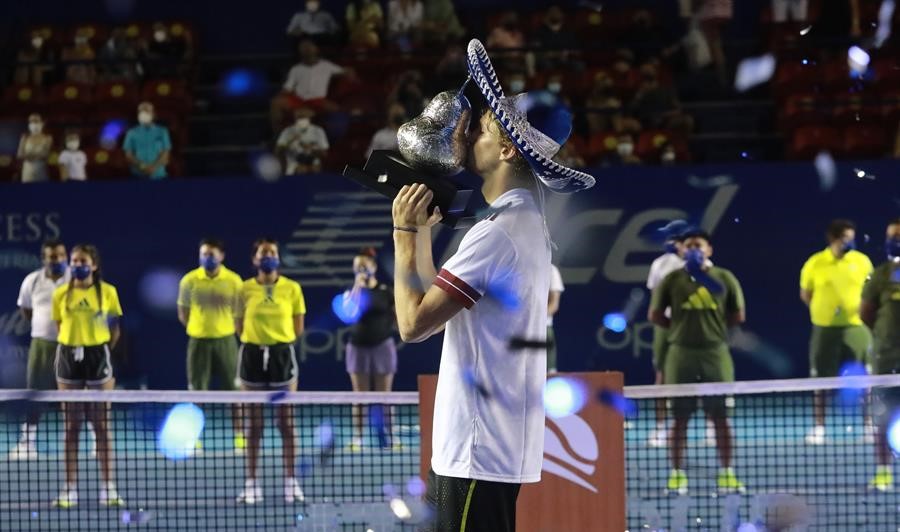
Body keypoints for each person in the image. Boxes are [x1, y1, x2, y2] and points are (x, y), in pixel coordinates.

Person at [391, 40, 595, 531]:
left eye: (480, 130)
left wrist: (402, 236)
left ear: (506, 149)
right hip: (486, 449)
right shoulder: (519, 221)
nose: (467, 136)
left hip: (477, 450)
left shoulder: (498, 233)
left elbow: (413, 324)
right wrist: (419, 232)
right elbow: (430, 309)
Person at [648, 230, 746, 495]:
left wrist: (713, 332)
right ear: (681, 250)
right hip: (681, 356)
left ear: (709, 249)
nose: (693, 249)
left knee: (721, 419)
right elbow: (655, 314)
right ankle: (677, 474)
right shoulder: (671, 279)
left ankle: (727, 473)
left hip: (716, 355)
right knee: (679, 419)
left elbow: (737, 314)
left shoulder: (724, 278)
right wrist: (679, 330)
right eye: (688, 246)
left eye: (698, 245)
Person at [50, 244, 124, 508]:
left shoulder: (108, 293)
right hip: (68, 356)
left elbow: (114, 330)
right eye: (74, 261)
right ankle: (69, 489)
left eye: (83, 261)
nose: (77, 265)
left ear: (94, 265)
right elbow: (60, 325)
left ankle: (108, 488)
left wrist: (96, 345)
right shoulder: (60, 294)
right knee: (71, 427)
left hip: (98, 357)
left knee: (102, 426)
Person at [235, 238, 306, 505]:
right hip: (252, 355)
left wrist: (277, 340)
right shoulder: (243, 289)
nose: (268, 257)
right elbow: (238, 326)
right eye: (263, 254)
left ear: (278, 258)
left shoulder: (292, 288)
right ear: (254, 260)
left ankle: (290, 483)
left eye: (272, 253)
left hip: (282, 356)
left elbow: (298, 327)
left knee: (286, 423)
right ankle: (251, 484)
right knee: (253, 425)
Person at [800, 219, 874, 445]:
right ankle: (819, 428)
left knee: (865, 377)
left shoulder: (862, 261)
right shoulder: (815, 262)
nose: (851, 242)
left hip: (857, 327)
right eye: (846, 238)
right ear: (833, 239)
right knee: (820, 382)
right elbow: (806, 294)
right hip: (825, 330)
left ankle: (869, 425)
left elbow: (870, 293)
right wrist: (824, 312)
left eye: (852, 237)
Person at [9, 239, 78, 460]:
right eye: (51, 256)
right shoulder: (32, 280)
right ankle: (27, 443)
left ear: (65, 256)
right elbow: (26, 310)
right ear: (44, 258)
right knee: (35, 393)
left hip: (71, 344)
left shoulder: (76, 279)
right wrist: (44, 327)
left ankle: (94, 443)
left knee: (78, 395)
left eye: (59, 256)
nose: (56, 260)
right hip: (41, 344)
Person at [177, 238, 245, 453]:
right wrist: (199, 329)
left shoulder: (234, 281)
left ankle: (240, 436)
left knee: (235, 393)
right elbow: (183, 313)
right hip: (198, 343)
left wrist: (225, 329)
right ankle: (194, 438)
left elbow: (240, 313)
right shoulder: (189, 280)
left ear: (221, 256)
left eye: (212, 254)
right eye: (204, 254)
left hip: (226, 342)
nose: (208, 258)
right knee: (197, 394)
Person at [343, 248, 398, 450]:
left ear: (373, 267)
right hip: (357, 348)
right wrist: (358, 287)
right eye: (358, 267)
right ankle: (358, 438)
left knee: (385, 395)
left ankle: (390, 436)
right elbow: (349, 313)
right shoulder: (351, 292)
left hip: (383, 346)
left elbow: (397, 318)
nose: (361, 269)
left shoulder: (386, 291)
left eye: (364, 266)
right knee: (359, 396)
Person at [860, 218, 900, 492]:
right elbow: (866, 312)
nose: (893, 241)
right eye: (891, 236)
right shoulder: (879, 274)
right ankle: (884, 471)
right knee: (883, 416)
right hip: (886, 359)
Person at [646, 230, 687, 448]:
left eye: (676, 240)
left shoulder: (701, 267)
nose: (672, 243)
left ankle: (710, 425)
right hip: (664, 326)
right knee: (661, 377)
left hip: (688, 326)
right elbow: (655, 299)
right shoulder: (659, 265)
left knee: (699, 378)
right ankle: (660, 427)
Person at [270, 40, 346, 131]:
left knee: (336, 110)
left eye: (309, 46)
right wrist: (281, 95)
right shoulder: (296, 69)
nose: (306, 49)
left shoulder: (326, 66)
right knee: (276, 102)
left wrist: (348, 72)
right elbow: (287, 88)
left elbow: (345, 72)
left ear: (316, 49)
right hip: (299, 100)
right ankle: (279, 136)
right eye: (303, 47)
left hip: (318, 100)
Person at [123, 101, 172, 179]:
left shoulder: (162, 131)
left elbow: (165, 154)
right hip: (138, 175)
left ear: (153, 114)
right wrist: (143, 167)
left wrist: (153, 168)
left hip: (159, 175)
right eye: (141, 111)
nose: (144, 113)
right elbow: (129, 155)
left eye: (147, 111)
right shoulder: (131, 133)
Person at [275, 107, 329, 175]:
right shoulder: (288, 131)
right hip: (294, 162)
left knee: (315, 169)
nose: (302, 119)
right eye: (299, 117)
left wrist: (311, 148)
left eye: (304, 117)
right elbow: (278, 150)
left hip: (312, 162)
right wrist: (291, 140)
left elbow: (325, 154)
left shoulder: (318, 131)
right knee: (301, 170)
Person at [17, 114, 52, 183]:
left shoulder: (48, 138)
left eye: (36, 121)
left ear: (42, 123)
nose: (34, 124)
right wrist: (37, 155)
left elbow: (45, 155)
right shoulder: (24, 138)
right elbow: (19, 155)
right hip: (27, 171)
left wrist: (28, 155)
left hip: (41, 171)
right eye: (31, 122)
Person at [546, 264, 564, 373]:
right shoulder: (515, 268)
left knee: (550, 372)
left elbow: (554, 304)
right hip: (517, 329)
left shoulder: (551, 270)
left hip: (544, 329)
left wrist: (535, 321)